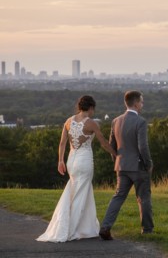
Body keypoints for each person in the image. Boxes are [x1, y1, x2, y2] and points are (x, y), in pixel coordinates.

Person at [36, 95, 116, 242]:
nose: (93, 112)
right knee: (80, 194)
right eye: (93, 109)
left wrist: (60, 161)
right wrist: (115, 154)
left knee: (76, 192)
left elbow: (62, 144)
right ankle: (71, 229)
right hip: (84, 161)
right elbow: (104, 143)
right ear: (91, 108)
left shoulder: (68, 121)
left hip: (71, 161)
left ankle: (85, 227)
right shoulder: (91, 123)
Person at [99, 90, 154, 240]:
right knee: (144, 198)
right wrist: (148, 164)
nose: (142, 105)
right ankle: (147, 229)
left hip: (121, 166)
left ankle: (105, 227)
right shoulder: (141, 122)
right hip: (138, 167)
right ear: (136, 104)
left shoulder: (116, 121)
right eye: (141, 102)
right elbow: (143, 147)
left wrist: (116, 160)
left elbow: (112, 145)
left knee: (118, 197)